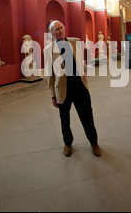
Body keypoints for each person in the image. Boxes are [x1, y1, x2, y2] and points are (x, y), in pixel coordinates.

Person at [43, 20, 101, 157]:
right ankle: (67, 143)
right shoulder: (48, 50)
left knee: (87, 116)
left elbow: (81, 60)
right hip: (63, 89)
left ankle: (94, 142)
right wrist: (52, 95)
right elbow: (49, 74)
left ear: (64, 28)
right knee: (64, 119)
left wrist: (84, 75)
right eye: (56, 29)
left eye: (61, 27)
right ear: (52, 33)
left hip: (80, 86)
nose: (60, 31)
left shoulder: (75, 42)